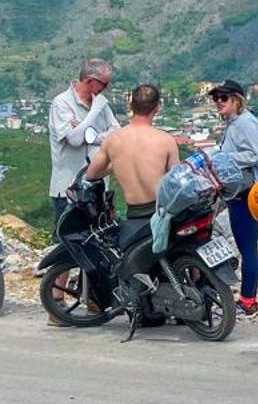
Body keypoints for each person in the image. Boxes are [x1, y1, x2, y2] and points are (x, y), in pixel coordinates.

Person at [82, 84, 179, 308]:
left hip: (135, 215)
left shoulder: (114, 140)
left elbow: (92, 173)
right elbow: (176, 179)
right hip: (161, 210)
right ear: (157, 108)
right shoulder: (165, 140)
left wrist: (115, 166)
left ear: (130, 106)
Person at [209, 79, 258, 316]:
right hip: (239, 192)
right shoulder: (236, 123)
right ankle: (247, 297)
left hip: (245, 193)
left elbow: (255, 154)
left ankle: (248, 300)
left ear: (237, 100)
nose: (218, 103)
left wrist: (224, 158)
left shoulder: (244, 123)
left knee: (248, 247)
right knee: (246, 245)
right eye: (216, 99)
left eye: (223, 98)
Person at [48, 58, 117, 215]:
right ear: (89, 81)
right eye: (104, 84)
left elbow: (117, 133)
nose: (106, 89)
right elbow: (74, 140)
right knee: (67, 236)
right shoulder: (62, 103)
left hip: (98, 188)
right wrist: (93, 113)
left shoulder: (101, 104)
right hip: (68, 189)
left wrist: (90, 134)